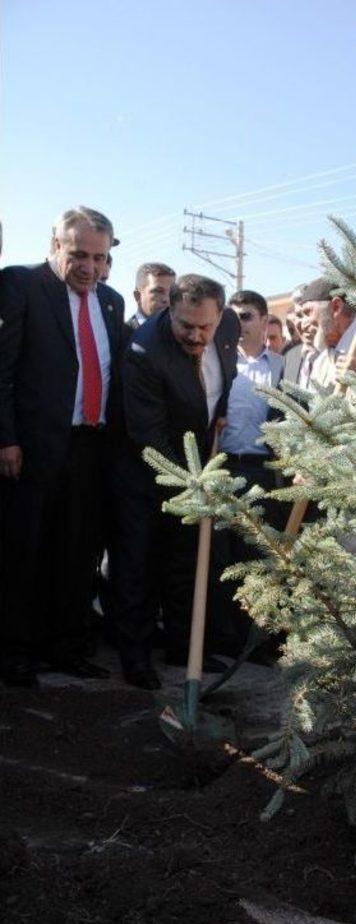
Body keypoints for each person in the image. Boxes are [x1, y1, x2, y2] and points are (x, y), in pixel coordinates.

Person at [0, 206, 126, 687]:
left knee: (77, 554)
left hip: (90, 450)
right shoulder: (23, 286)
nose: (88, 267)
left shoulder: (110, 303)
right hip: (31, 450)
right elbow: (3, 371)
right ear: (55, 245)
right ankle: (16, 652)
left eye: (98, 257)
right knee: (25, 552)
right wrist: (6, 438)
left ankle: (66, 646)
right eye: (78, 254)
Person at [110, 274, 238, 688]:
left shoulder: (229, 325)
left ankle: (185, 648)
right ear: (170, 311)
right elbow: (149, 435)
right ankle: (136, 657)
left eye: (206, 327)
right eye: (186, 326)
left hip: (197, 461)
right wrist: (192, 482)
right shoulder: (144, 351)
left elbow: (223, 382)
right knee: (139, 564)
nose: (197, 335)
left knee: (186, 561)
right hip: (145, 472)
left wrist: (218, 414)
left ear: (220, 316)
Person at [213, 290, 284, 654]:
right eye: (234, 316)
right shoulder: (219, 363)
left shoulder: (281, 367)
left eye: (247, 316)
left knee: (256, 557)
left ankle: (255, 642)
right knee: (222, 559)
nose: (239, 324)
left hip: (261, 473)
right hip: (222, 469)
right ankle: (224, 637)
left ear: (265, 320)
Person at [128, 262, 176, 330]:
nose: (167, 299)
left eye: (172, 292)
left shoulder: (181, 336)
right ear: (138, 296)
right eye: (158, 291)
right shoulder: (121, 337)